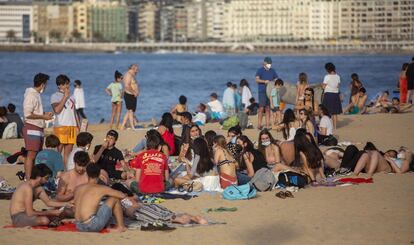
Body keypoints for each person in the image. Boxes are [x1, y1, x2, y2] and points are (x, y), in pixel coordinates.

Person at [74, 164, 127, 232]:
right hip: (92, 225)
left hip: (78, 226)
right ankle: (121, 227)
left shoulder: (78, 188)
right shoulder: (101, 188)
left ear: (86, 174)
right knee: (114, 198)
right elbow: (122, 195)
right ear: (99, 174)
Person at [23, 73, 54, 180]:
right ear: (42, 84)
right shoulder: (31, 95)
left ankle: (32, 177)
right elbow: (27, 114)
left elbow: (35, 112)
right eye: (46, 84)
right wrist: (43, 116)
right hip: (32, 127)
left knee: (36, 155)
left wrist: (44, 114)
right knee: (31, 155)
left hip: (37, 128)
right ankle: (28, 178)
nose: (46, 86)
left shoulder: (36, 94)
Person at [51, 74, 79, 168]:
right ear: (59, 85)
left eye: (67, 84)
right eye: (64, 84)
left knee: (69, 152)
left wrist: (78, 125)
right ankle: (57, 170)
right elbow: (57, 110)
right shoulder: (55, 96)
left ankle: (66, 171)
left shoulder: (72, 97)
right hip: (61, 126)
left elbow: (75, 113)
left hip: (72, 126)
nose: (67, 86)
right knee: (58, 151)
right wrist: (65, 97)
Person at [255, 56, 278, 130]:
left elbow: (276, 79)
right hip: (262, 91)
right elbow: (257, 80)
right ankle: (259, 124)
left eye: (270, 63)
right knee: (261, 108)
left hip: (270, 92)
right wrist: (265, 81)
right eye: (268, 63)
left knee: (268, 108)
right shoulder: (260, 70)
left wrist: (274, 82)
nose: (269, 65)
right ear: (264, 63)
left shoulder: (272, 71)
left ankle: (268, 124)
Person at [321, 62, 342, 130]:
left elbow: (323, 87)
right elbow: (338, 86)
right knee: (335, 113)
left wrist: (322, 85)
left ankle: (329, 126)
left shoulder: (326, 77)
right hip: (336, 95)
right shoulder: (338, 76)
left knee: (327, 111)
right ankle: (335, 127)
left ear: (327, 69)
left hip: (328, 95)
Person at [120, 64, 139, 130]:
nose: (137, 71)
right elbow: (127, 86)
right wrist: (134, 92)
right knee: (131, 111)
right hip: (129, 95)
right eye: (137, 69)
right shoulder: (128, 75)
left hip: (132, 95)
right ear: (133, 68)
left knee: (129, 111)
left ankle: (122, 126)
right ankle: (132, 126)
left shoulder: (131, 74)